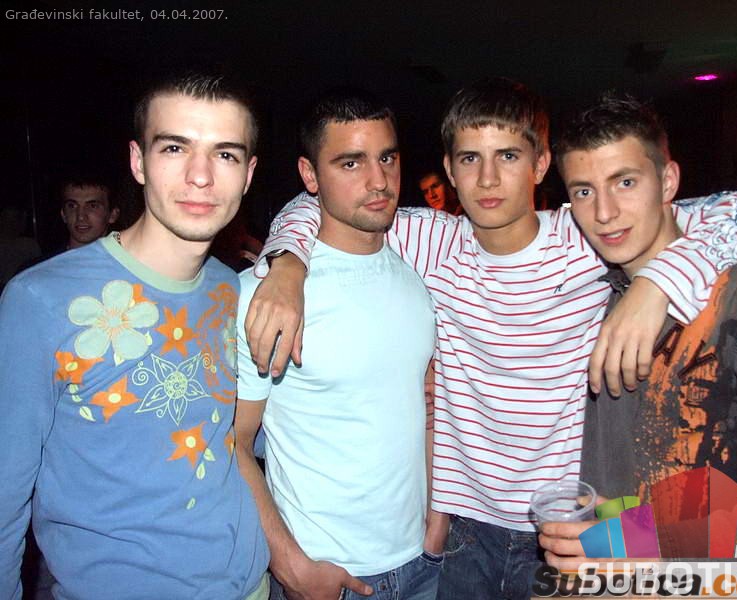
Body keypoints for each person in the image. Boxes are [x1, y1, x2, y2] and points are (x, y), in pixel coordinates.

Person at [244, 78, 737, 600]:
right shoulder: (429, 240)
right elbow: (324, 200)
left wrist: (657, 283)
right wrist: (288, 262)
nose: (487, 179)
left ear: (540, 164)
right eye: (469, 159)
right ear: (449, 171)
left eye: (507, 156)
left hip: (568, 526)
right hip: (463, 533)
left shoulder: (589, 235)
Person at [0, 72, 269, 600]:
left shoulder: (231, 290)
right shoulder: (40, 301)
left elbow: (238, 436)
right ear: (138, 161)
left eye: (225, 154)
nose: (200, 176)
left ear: (248, 175)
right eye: (175, 148)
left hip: (251, 584)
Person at [538, 93, 737, 565]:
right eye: (583, 191)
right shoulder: (595, 298)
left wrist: (649, 545)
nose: (604, 213)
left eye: (625, 182)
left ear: (668, 181)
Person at [235, 88, 439, 600]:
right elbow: (231, 443)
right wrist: (291, 565)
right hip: (328, 576)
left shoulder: (422, 273)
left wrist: (437, 522)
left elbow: (425, 406)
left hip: (424, 564)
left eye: (387, 158)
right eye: (351, 163)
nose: (378, 180)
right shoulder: (263, 295)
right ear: (310, 175)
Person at [60, 172, 120, 250]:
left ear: (112, 215)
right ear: (63, 214)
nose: (80, 216)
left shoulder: (126, 257)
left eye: (92, 206)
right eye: (72, 206)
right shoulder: (51, 258)